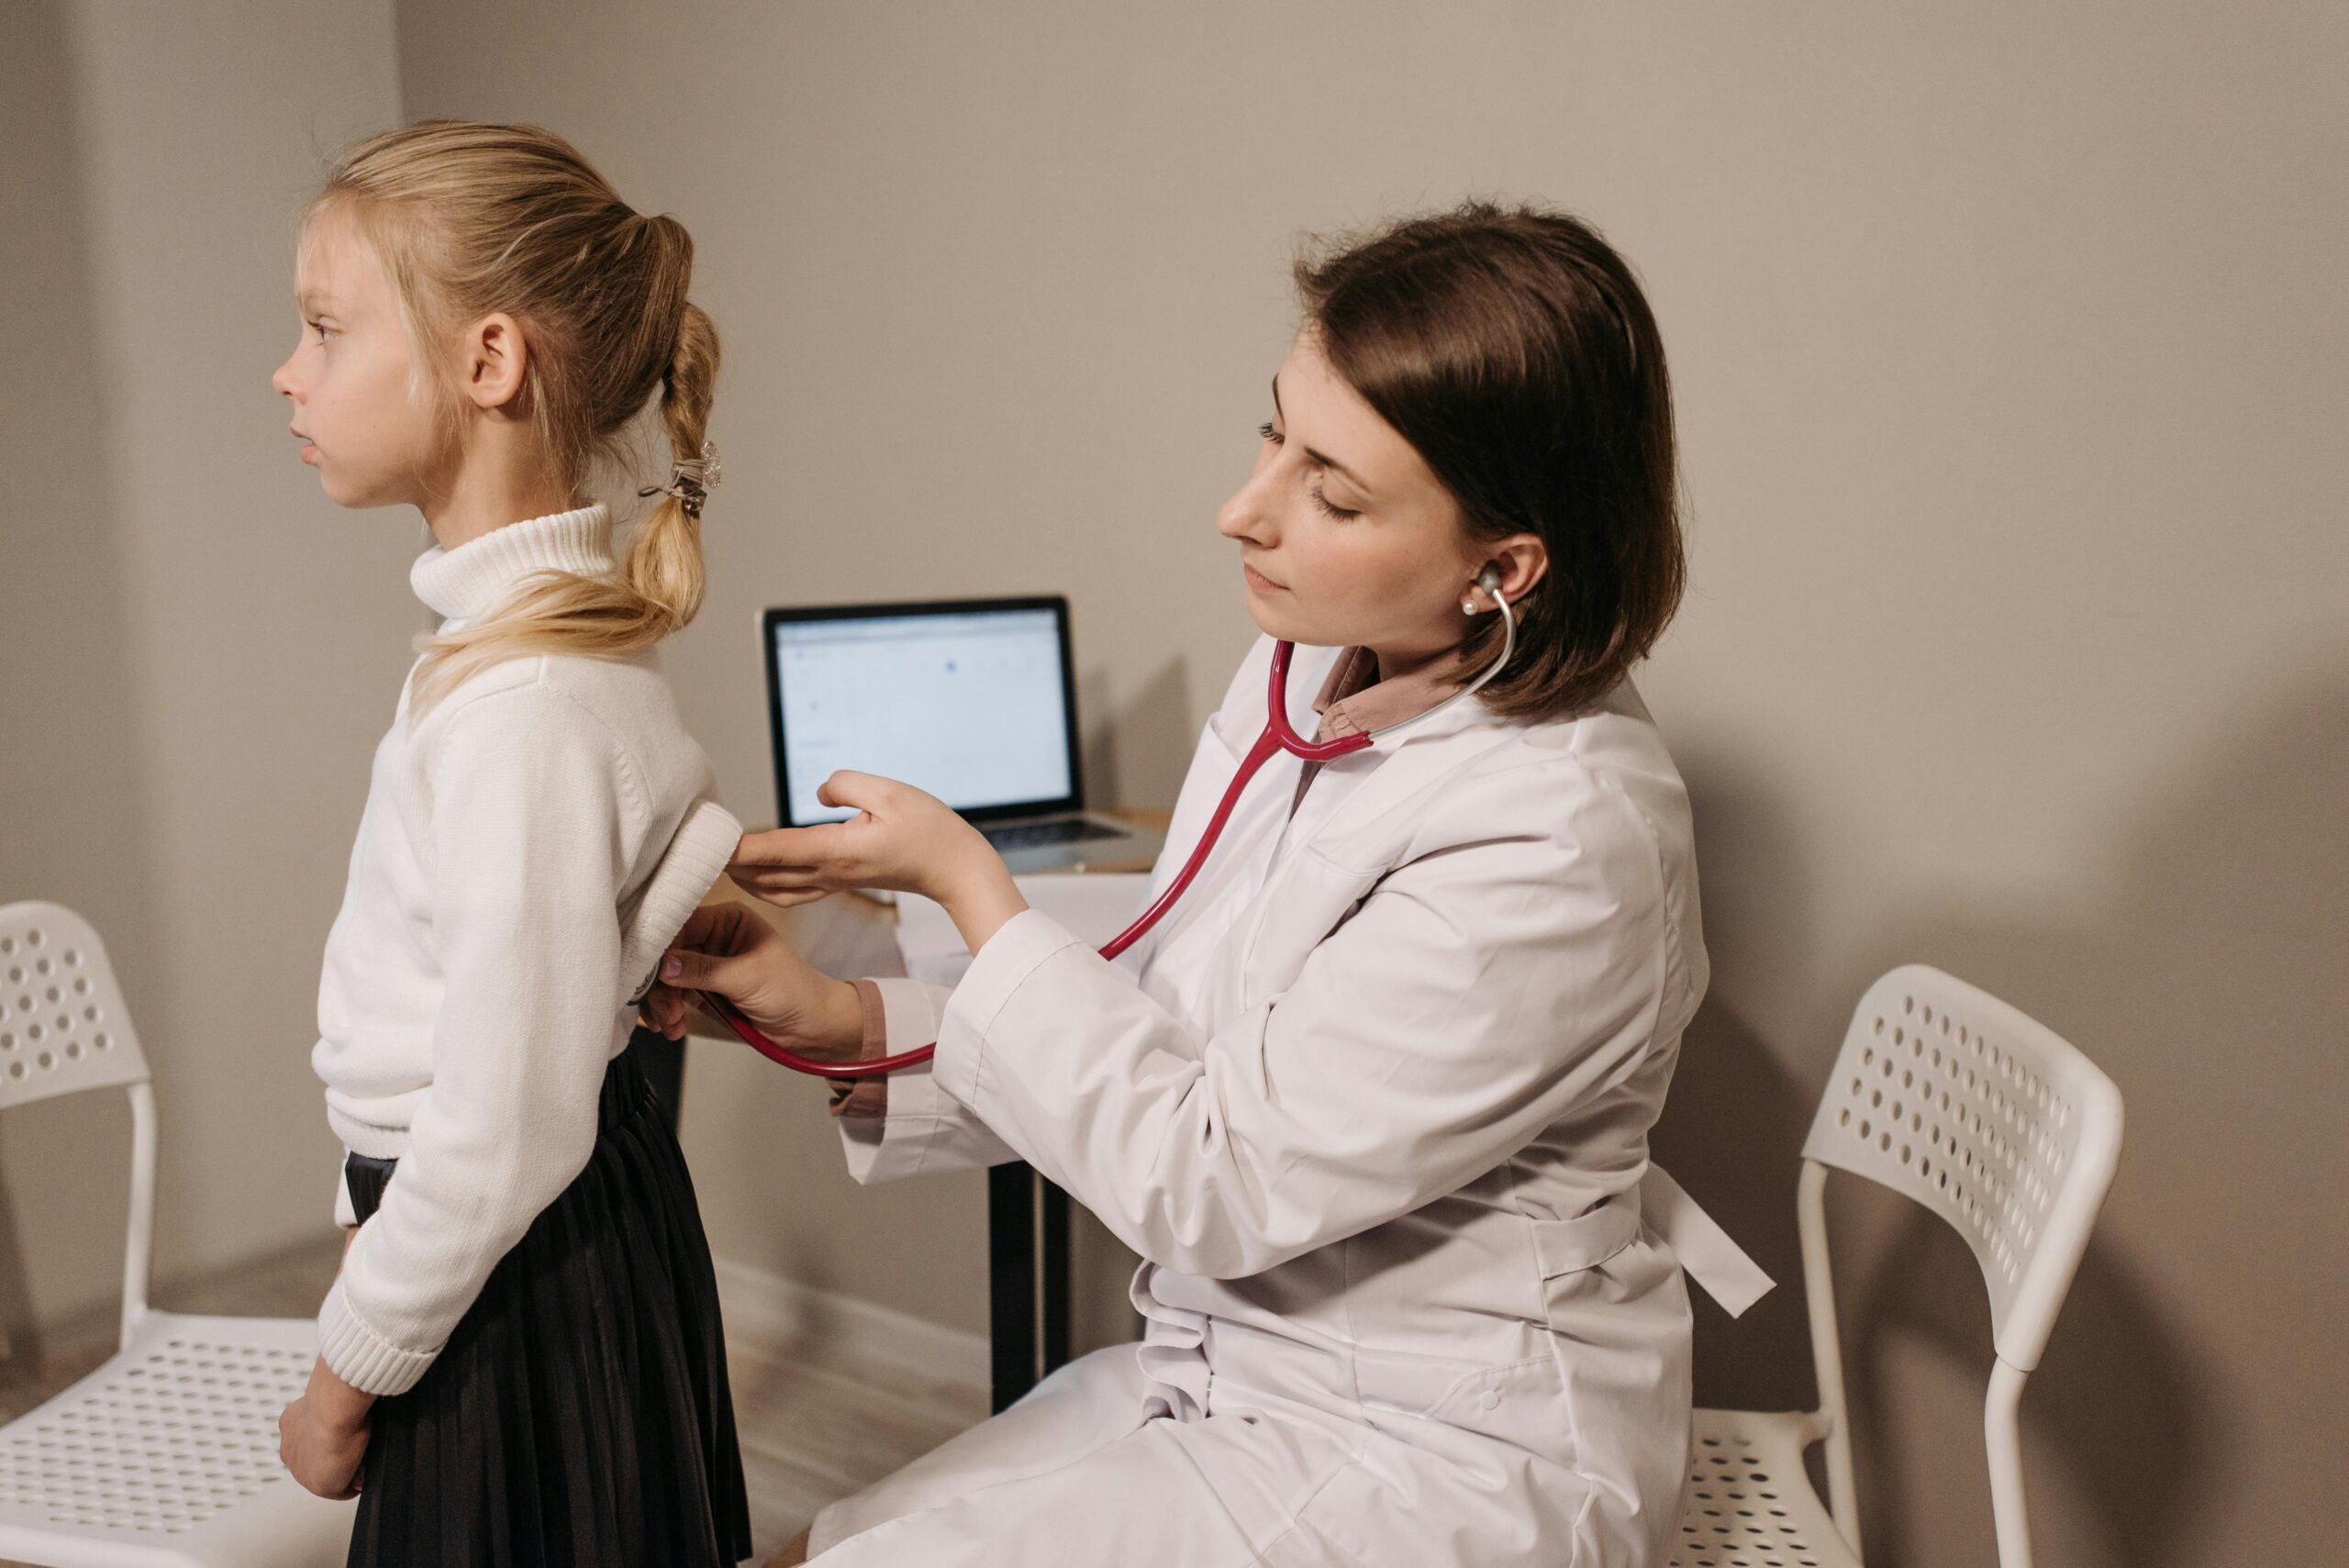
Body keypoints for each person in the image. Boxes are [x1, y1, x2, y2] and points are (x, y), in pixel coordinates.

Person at [651, 200, 1765, 1567]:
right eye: (1273, 434)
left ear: (1504, 568)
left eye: (1333, 493)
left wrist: (973, 888)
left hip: (1440, 1445)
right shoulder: (1317, 660)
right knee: (831, 1539)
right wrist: (848, 1016)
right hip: (1246, 1364)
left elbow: (1212, 1176)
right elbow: (1174, 1003)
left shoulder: (1567, 839)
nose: (1243, 512)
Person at [272, 120, 754, 1568]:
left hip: (525, 1302)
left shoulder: (523, 706)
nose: (290, 372)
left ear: (486, 363)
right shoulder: (510, 663)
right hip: (527, 1255)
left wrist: (340, 1374)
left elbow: (499, 1131)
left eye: (323, 328)